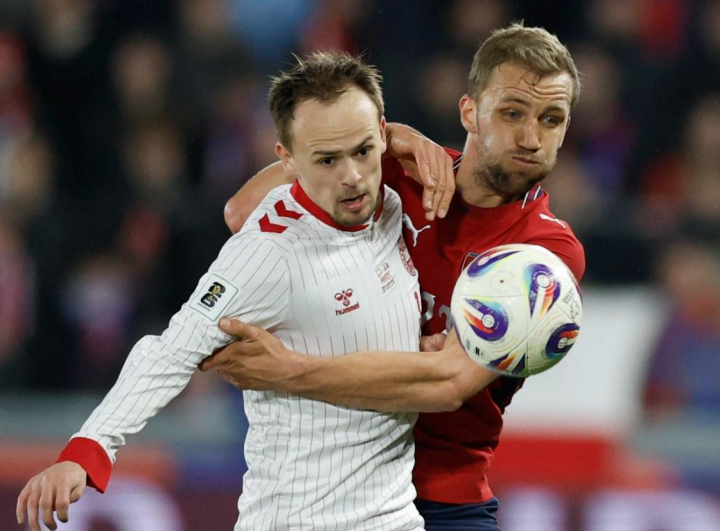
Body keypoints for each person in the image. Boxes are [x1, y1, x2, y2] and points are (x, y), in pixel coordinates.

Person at [16, 51, 448, 531]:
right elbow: (172, 350)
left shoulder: (391, 206)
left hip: (396, 517)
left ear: (382, 136)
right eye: (327, 160)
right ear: (287, 159)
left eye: (363, 151)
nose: (351, 176)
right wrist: (87, 450)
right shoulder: (269, 251)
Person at [204, 23, 586, 531]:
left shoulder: (546, 255)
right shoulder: (394, 173)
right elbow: (244, 212)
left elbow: (448, 382)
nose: (531, 138)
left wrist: (288, 370)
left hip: (442, 498)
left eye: (551, 119)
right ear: (469, 111)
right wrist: (383, 139)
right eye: (512, 113)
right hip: (331, 485)